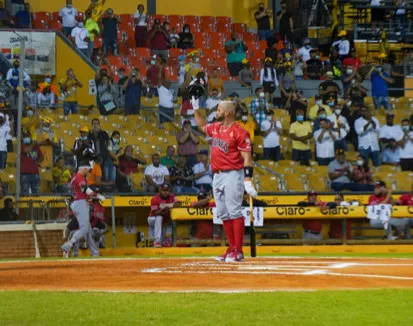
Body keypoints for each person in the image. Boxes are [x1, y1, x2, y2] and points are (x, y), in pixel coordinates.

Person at [193, 96, 258, 263]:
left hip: (233, 174)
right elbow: (201, 125)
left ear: (228, 113)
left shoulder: (240, 132)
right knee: (222, 212)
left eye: (219, 110)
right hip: (217, 175)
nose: (216, 112)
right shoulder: (216, 128)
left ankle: (238, 250)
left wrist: (248, 178)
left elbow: (247, 157)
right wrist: (195, 108)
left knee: (234, 211)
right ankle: (231, 248)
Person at [61, 160, 105, 257]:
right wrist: (97, 195)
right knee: (84, 229)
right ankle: (68, 245)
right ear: (84, 168)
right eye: (88, 170)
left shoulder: (75, 177)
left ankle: (95, 252)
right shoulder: (79, 176)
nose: (89, 172)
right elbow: (85, 189)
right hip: (80, 203)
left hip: (77, 202)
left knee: (88, 230)